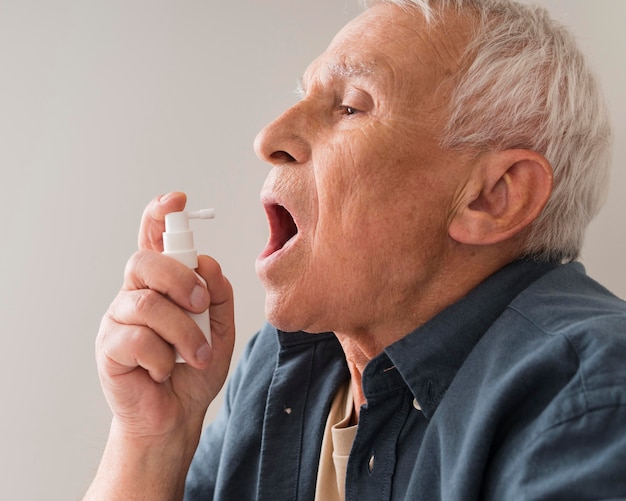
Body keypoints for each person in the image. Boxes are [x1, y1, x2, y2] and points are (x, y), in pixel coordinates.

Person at [85, 0, 626, 499]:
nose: (269, 137)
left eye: (349, 107)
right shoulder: (278, 364)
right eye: (302, 97)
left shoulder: (592, 393)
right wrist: (151, 440)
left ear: (493, 197)